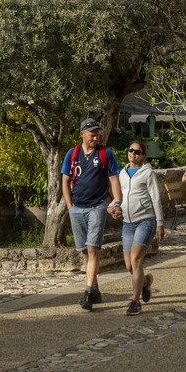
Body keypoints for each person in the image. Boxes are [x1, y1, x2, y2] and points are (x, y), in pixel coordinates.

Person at [62, 116, 121, 310]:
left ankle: (87, 292)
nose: (95, 138)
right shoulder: (72, 154)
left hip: (97, 206)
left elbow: (113, 179)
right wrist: (70, 207)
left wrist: (117, 202)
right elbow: (65, 181)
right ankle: (95, 289)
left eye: (97, 135)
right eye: (92, 135)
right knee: (85, 252)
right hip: (77, 208)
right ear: (82, 134)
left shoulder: (106, 153)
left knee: (93, 247)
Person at [114, 138, 165, 315]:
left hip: (146, 220)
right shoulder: (122, 173)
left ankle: (135, 302)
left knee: (136, 260)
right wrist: (111, 207)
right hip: (127, 223)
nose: (132, 153)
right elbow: (119, 196)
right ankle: (146, 282)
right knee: (129, 265)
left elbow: (156, 197)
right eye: (130, 150)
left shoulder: (147, 173)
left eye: (137, 151)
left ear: (143, 155)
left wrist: (159, 223)